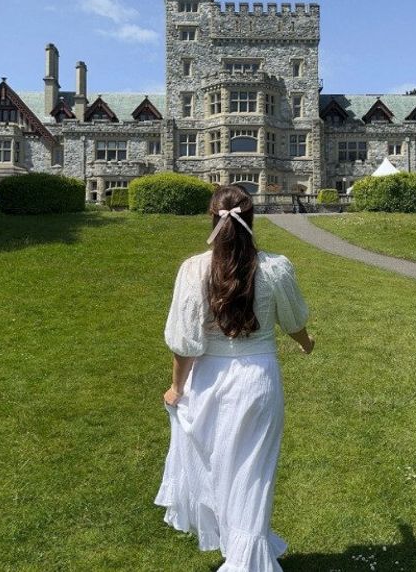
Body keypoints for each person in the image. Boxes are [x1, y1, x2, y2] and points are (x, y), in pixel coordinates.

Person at [155, 185, 314, 571]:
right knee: (252, 469)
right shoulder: (275, 266)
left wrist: (178, 386)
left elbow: (184, 341)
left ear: (213, 219)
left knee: (219, 463)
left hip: (208, 380)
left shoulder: (193, 269)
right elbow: (293, 321)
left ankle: (244, 549)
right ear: (252, 220)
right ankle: (247, 554)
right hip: (257, 379)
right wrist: (307, 343)